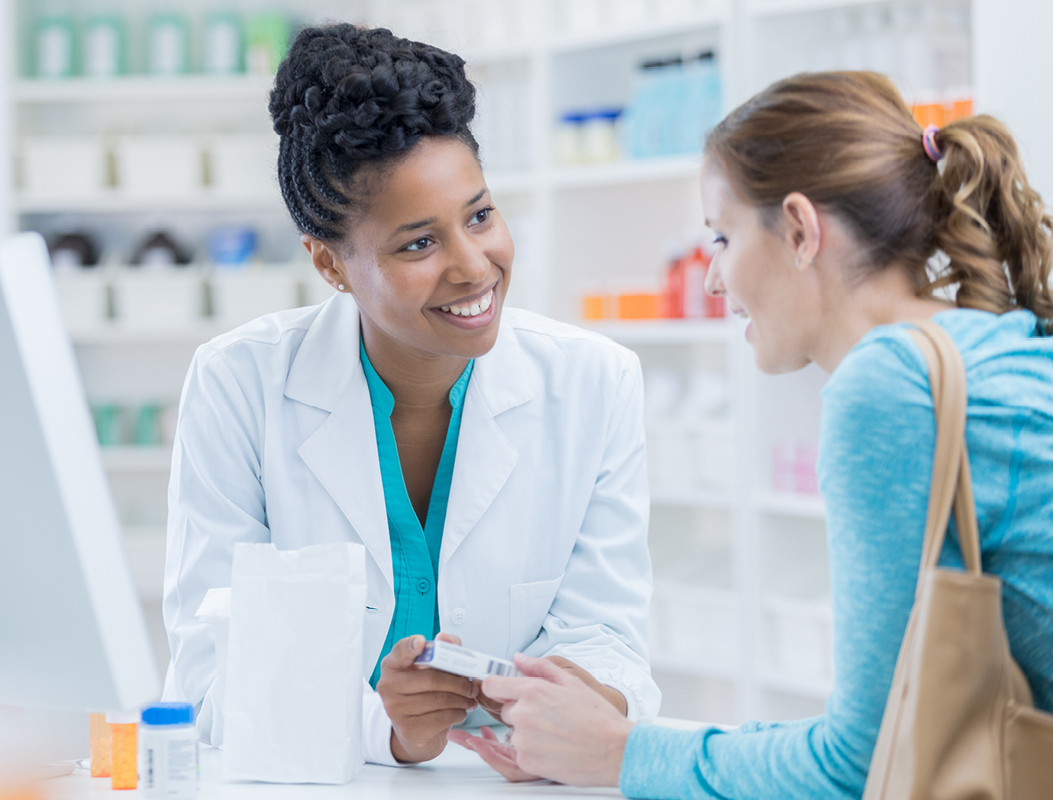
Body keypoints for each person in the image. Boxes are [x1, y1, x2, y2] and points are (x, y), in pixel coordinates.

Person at [452, 71, 1053, 798]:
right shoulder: (991, 342)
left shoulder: (889, 384)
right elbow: (886, 734)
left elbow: (857, 767)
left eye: (722, 237)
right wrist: (619, 743)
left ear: (800, 229)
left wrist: (618, 758)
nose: (711, 280)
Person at [160, 23, 661, 767]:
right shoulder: (240, 385)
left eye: (481, 215)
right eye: (418, 244)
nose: (474, 267)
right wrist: (389, 730)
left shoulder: (593, 382)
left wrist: (571, 710)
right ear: (330, 265)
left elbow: (610, 634)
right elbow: (211, 675)